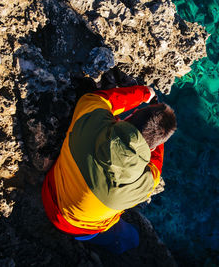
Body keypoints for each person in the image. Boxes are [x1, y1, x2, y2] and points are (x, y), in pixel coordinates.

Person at [41, 85, 177, 254]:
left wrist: (145, 94)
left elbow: (103, 99)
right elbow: (156, 162)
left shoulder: (90, 117)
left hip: (49, 192)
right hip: (76, 228)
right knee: (132, 237)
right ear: (151, 148)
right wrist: (158, 139)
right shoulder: (147, 183)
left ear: (132, 114)